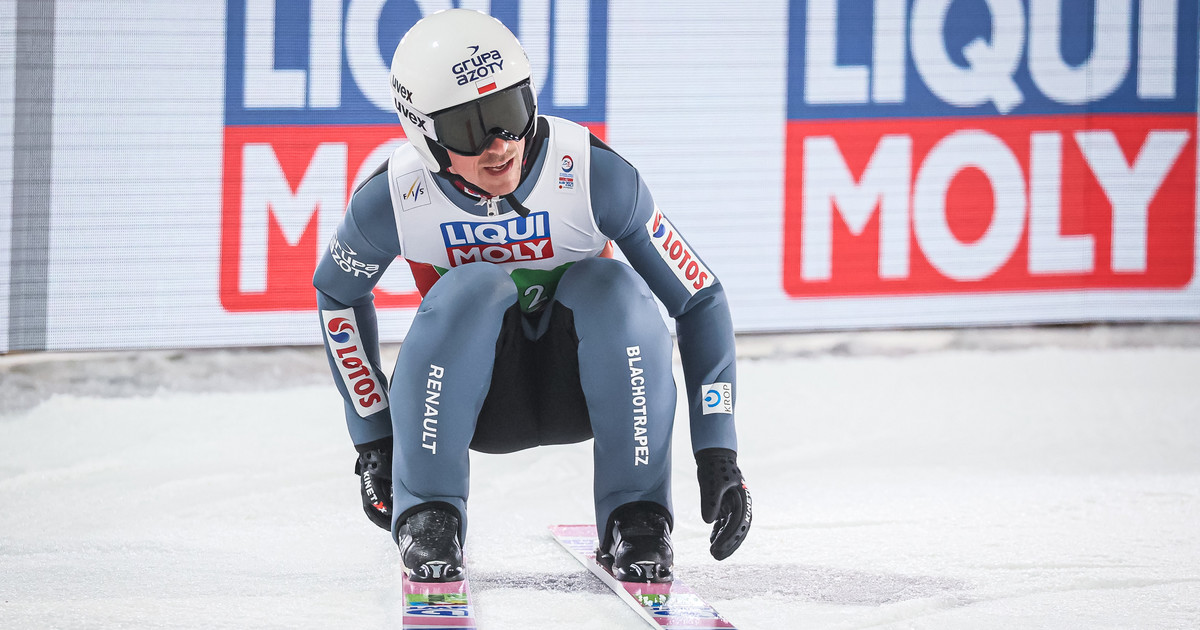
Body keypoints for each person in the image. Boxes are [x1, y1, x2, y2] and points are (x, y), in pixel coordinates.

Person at [313, 8, 751, 584]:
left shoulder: (592, 172)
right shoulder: (394, 196)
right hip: (468, 404)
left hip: (594, 388)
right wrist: (374, 438)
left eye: (508, 113)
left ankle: (637, 513)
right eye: (470, 128)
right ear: (423, 133)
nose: (499, 145)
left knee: (613, 287)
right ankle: (430, 513)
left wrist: (718, 450)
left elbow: (699, 299)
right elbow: (338, 298)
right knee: (471, 287)